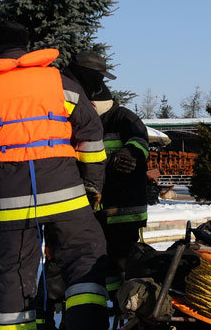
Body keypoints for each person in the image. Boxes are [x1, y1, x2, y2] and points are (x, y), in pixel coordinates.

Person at [0, 17, 111, 330]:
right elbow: (91, 134)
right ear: (26, 46)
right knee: (84, 257)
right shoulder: (59, 81)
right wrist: (93, 183)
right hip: (67, 195)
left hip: (11, 202)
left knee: (13, 272)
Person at [64, 50, 151, 304]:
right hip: (96, 209)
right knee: (103, 261)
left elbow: (140, 142)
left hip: (124, 211)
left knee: (123, 259)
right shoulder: (79, 123)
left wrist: (131, 151)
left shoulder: (125, 118)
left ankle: (129, 302)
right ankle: (112, 302)